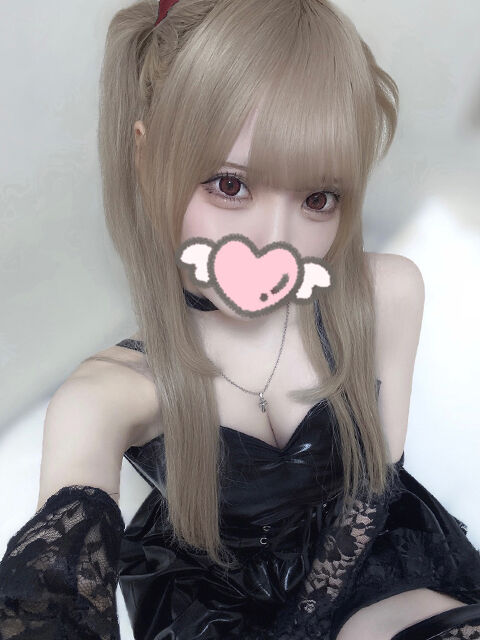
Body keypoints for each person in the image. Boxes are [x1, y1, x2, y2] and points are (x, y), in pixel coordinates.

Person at [1, 1, 480, 639]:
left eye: (318, 198)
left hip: (371, 563)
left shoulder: (384, 292)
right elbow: (49, 598)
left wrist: (310, 625)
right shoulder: (109, 393)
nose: (274, 241)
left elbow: (374, 487)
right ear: (147, 158)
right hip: (213, 605)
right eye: (230, 186)